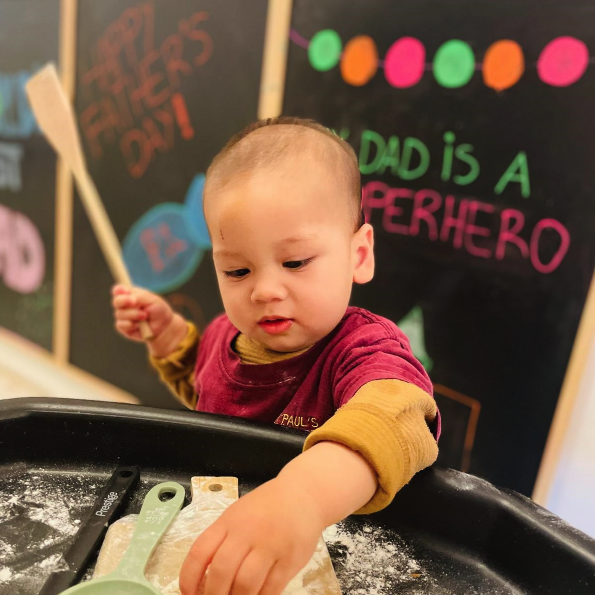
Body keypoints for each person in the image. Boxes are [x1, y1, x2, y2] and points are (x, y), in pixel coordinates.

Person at [111, 117, 440, 595]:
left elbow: (395, 418)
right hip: (221, 545)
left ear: (359, 255)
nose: (264, 290)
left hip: (327, 559)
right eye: (237, 270)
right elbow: (207, 393)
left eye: (295, 262)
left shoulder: (364, 348)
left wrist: (302, 499)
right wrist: (168, 339)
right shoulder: (226, 335)